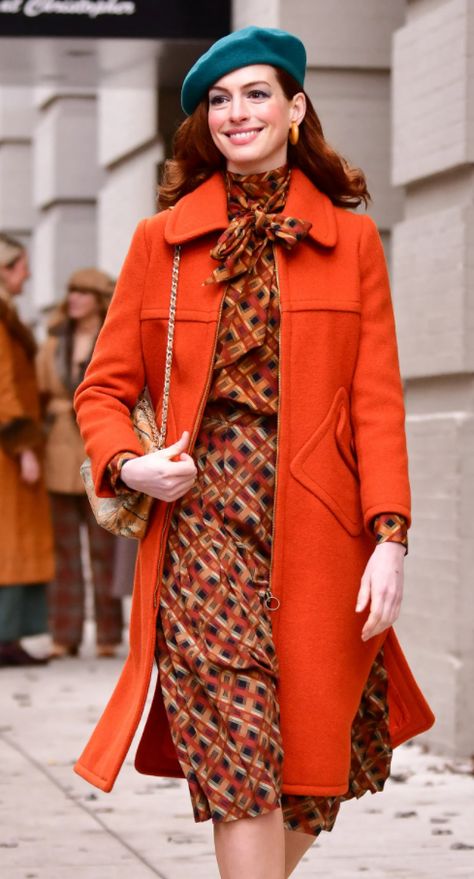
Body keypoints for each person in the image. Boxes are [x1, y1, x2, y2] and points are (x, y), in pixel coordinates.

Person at [73, 27, 434, 879]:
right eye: (221, 100)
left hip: (321, 530)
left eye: (257, 93)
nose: (237, 113)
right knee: (241, 761)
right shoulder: (159, 242)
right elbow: (101, 390)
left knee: (318, 768)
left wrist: (391, 535)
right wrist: (132, 463)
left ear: (296, 107)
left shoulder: (352, 243)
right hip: (200, 526)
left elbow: (376, 401)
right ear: (207, 121)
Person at [37, 269, 123, 658]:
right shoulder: (52, 344)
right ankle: (64, 634)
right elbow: (39, 395)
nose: (73, 299)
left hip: (98, 451)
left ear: (98, 299)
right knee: (64, 551)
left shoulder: (113, 338)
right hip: (57, 451)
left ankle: (108, 635)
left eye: (82, 292)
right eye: (71, 291)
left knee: (104, 548)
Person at [0, 233, 54, 666]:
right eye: (21, 267)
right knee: (11, 540)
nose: (29, 274)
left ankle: (11, 635)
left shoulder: (8, 314)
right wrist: (25, 448)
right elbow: (3, 389)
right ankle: (5, 636)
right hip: (7, 450)